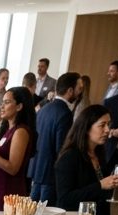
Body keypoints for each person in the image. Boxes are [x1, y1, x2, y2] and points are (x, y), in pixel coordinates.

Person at [55, 104, 118, 215]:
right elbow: (65, 199)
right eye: (102, 125)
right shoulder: (70, 157)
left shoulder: (99, 153)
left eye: (108, 125)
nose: (108, 130)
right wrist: (100, 185)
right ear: (87, 128)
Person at [30, 71, 82, 204]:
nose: (80, 93)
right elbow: (62, 149)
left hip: (37, 170)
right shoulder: (65, 113)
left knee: (32, 214)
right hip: (51, 174)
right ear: (70, 90)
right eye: (79, 89)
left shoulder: (44, 108)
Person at [0, 86, 36, 210]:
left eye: (6, 102)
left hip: (7, 193)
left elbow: (13, 168)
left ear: (19, 106)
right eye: (2, 102)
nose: (1, 106)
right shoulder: (9, 130)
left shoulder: (20, 131)